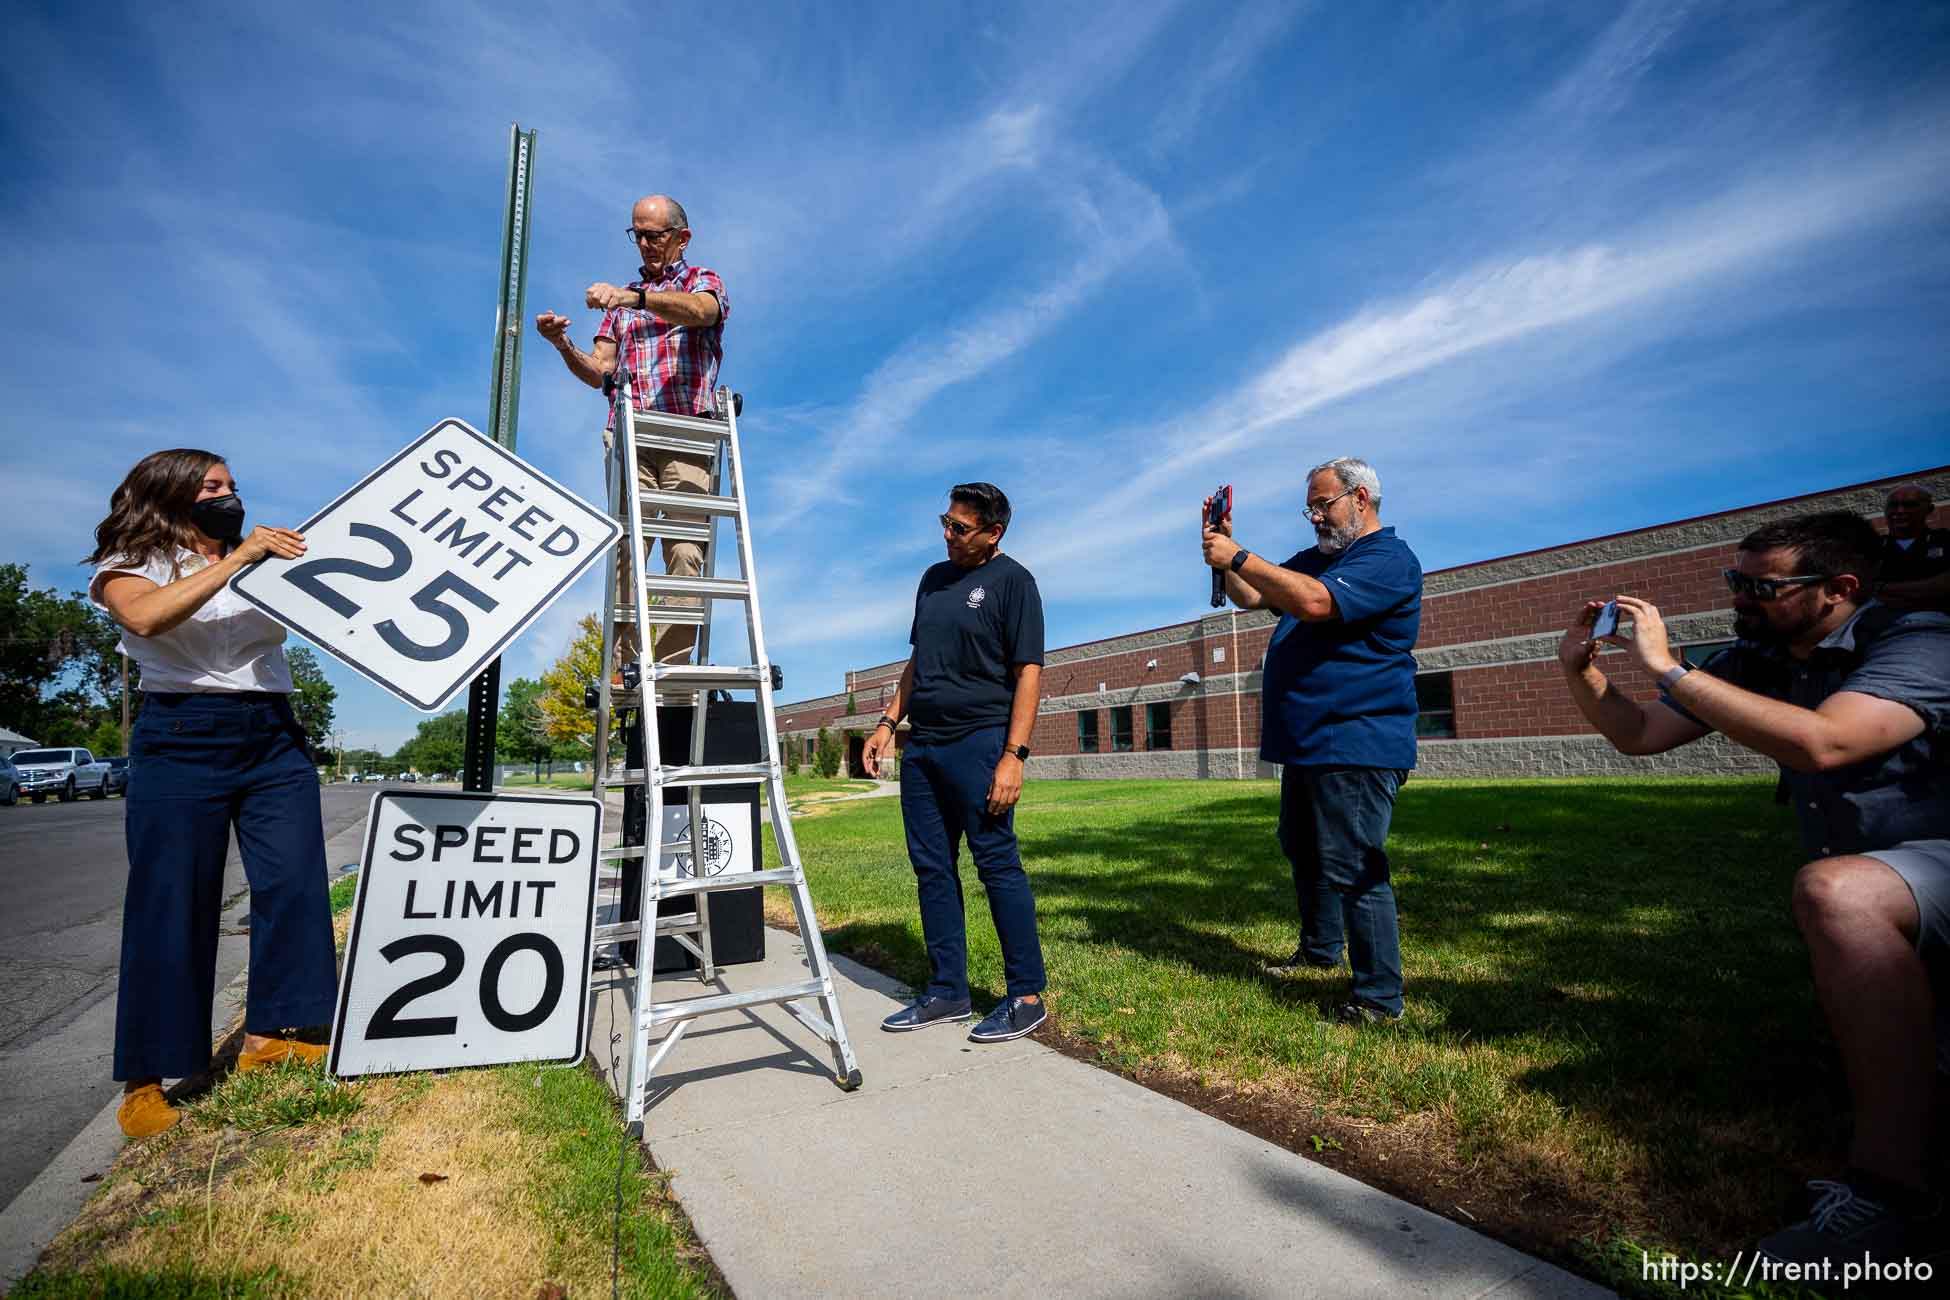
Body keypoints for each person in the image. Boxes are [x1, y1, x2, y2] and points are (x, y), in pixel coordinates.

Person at [1555, 509, 1949, 1269]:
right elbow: (1640, 735)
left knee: (1839, 893)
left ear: (1839, 589)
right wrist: (1584, 669)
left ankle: (1893, 1196)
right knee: (1844, 900)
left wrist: (1669, 665)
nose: (1740, 599)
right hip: (1899, 879)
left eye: (1762, 587)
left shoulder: (1919, 640)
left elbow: (1825, 742)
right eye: (1736, 580)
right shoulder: (1764, 654)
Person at [87, 449, 338, 1137]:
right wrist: (238, 560)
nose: (229, 494)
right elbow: (146, 620)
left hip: (272, 734)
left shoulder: (265, 559)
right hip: (179, 736)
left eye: (231, 485)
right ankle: (146, 1078)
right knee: (172, 899)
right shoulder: (130, 568)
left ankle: (271, 1036)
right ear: (168, 495)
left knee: (292, 883)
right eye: (212, 485)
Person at [1201, 457, 1422, 1025]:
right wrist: (1227, 552)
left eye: (1323, 504)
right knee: (1302, 845)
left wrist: (1241, 557)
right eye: (1311, 507)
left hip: (1356, 738)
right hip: (1310, 742)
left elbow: (1317, 603)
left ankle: (1379, 998)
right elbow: (1254, 597)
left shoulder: (1386, 558)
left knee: (1353, 862)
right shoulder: (1321, 559)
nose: (1315, 516)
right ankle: (1321, 950)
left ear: (1361, 499)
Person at [861, 483, 1050, 1043]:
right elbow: (918, 662)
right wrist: (887, 723)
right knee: (932, 870)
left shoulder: (1014, 582)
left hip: (981, 742)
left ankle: (1027, 994)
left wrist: (1013, 756)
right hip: (924, 746)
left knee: (996, 864)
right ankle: (948, 991)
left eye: (960, 527)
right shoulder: (933, 579)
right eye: (945, 521)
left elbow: (1029, 673)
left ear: (993, 533)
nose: (947, 534)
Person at [536, 193, 729, 670]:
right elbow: (599, 369)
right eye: (636, 235)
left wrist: (636, 298)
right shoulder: (619, 308)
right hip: (630, 435)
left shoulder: (701, 280)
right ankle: (626, 670)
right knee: (626, 550)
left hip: (685, 435)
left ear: (681, 238)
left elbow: (703, 311)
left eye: (653, 235)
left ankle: (667, 671)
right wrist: (563, 344)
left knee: (685, 555)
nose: (643, 244)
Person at [1878, 483, 1950, 612]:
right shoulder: (1869, 547)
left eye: (1909, 505)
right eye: (1893, 505)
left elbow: (1945, 585)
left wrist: (1880, 588)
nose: (1899, 511)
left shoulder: (1945, 540)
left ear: (1929, 509)